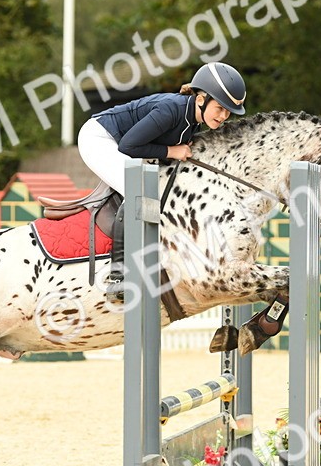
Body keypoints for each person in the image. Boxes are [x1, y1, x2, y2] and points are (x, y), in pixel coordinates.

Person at [77, 62, 247, 301]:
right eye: (220, 108)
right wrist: (171, 151)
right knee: (137, 190)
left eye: (228, 112)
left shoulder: (193, 120)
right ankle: (118, 277)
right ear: (201, 99)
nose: (223, 116)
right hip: (99, 138)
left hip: (121, 143)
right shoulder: (171, 109)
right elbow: (129, 146)